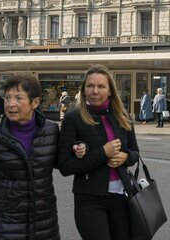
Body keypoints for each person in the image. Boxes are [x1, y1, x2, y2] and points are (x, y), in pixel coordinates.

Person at [0, 75, 62, 240]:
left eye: (18, 98)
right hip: (5, 225)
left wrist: (79, 147)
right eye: (7, 98)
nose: (10, 104)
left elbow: (65, 164)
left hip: (44, 225)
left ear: (35, 102)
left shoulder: (51, 131)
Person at [58, 64, 140, 240]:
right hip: (89, 199)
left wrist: (126, 157)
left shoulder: (122, 116)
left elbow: (135, 154)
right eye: (90, 86)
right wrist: (103, 152)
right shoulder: (73, 119)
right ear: (84, 89)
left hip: (123, 197)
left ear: (110, 90)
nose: (95, 91)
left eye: (101, 86)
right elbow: (65, 166)